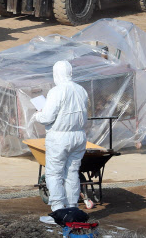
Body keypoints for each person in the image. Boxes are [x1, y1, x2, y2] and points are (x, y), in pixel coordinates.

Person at [34, 60, 90, 212]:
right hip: (79, 136)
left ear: (56, 74)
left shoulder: (57, 91)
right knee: (72, 173)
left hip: (60, 137)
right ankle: (72, 208)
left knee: (54, 173)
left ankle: (59, 210)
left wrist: (38, 115)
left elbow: (47, 117)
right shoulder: (81, 90)